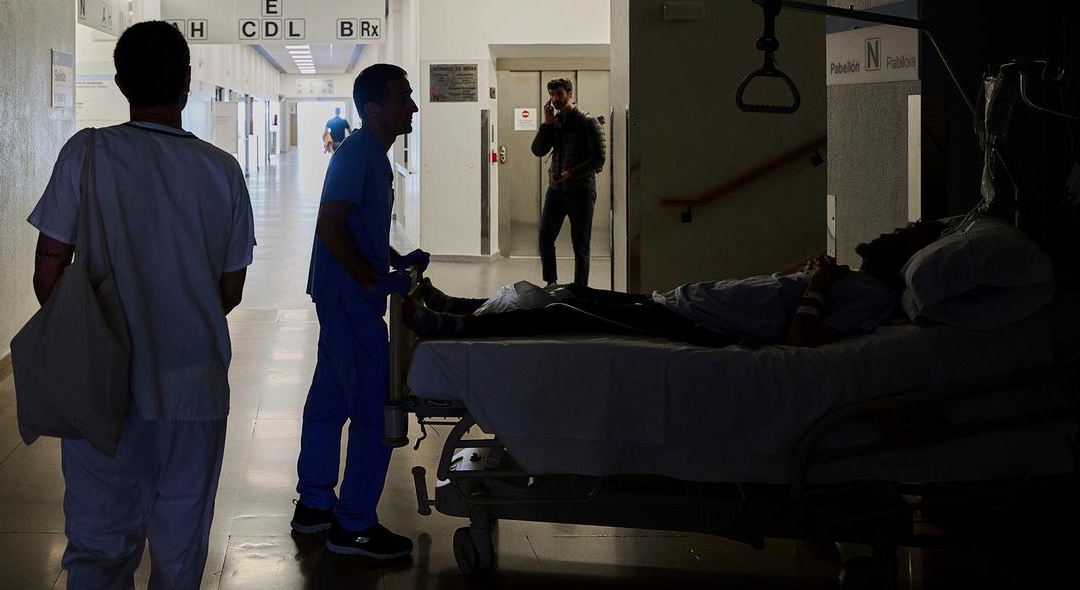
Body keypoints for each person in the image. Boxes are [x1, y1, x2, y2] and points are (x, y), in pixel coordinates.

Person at [26, 21, 254, 590]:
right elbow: (229, 289)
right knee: (180, 547)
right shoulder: (222, 171)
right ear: (186, 82)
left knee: (99, 548)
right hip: (194, 390)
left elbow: (48, 276)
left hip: (101, 390)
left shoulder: (88, 152)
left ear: (122, 83)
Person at [405, 221, 947, 348]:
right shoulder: (855, 282)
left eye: (904, 234)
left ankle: (452, 328)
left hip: (699, 327)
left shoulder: (873, 299)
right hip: (685, 302)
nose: (890, 230)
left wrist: (817, 287)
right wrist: (807, 275)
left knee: (568, 316)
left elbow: (803, 341)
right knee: (570, 292)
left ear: (910, 259)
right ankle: (461, 304)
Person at [292, 64, 427, 559]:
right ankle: (352, 525)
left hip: (344, 294)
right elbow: (331, 226)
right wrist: (371, 279)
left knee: (330, 399)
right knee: (374, 409)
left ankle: (314, 505)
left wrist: (394, 258)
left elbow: (359, 225)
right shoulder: (356, 155)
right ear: (373, 108)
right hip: (350, 299)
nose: (411, 106)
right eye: (402, 97)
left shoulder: (373, 155)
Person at [531, 77, 606, 287]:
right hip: (555, 191)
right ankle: (551, 283)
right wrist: (546, 124)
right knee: (545, 237)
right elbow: (538, 150)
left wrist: (570, 173)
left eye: (559, 94)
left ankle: (580, 288)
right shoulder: (554, 123)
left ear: (570, 94)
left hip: (581, 191)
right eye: (552, 95)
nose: (555, 99)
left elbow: (599, 159)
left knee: (580, 244)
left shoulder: (587, 122)